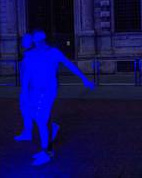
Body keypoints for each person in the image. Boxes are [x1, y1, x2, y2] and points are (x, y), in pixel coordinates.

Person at [21, 30, 94, 166]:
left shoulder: (53, 53)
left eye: (40, 41)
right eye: (36, 42)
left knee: (41, 120)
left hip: (48, 91)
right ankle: (51, 129)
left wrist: (84, 79)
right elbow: (27, 76)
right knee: (36, 116)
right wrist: (24, 93)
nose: (38, 44)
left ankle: (47, 152)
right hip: (34, 91)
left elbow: (69, 65)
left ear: (44, 40)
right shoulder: (31, 55)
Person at [14, 33, 61, 143]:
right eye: (23, 39)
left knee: (34, 110)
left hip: (36, 88)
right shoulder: (28, 53)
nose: (23, 41)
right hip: (29, 87)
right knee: (25, 108)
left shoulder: (36, 54)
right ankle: (28, 132)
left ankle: (50, 128)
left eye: (26, 40)